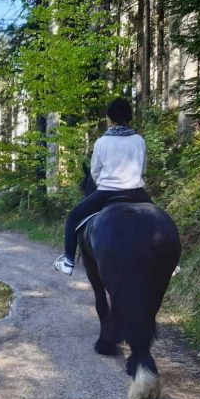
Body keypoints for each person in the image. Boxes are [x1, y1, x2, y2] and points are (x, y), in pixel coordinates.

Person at [54, 97, 152, 275]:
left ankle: (68, 261)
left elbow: (95, 172)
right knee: (159, 219)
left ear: (110, 118)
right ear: (129, 118)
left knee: (73, 218)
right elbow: (143, 169)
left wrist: (105, 183)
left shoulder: (101, 142)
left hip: (106, 193)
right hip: (137, 193)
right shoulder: (139, 140)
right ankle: (169, 262)